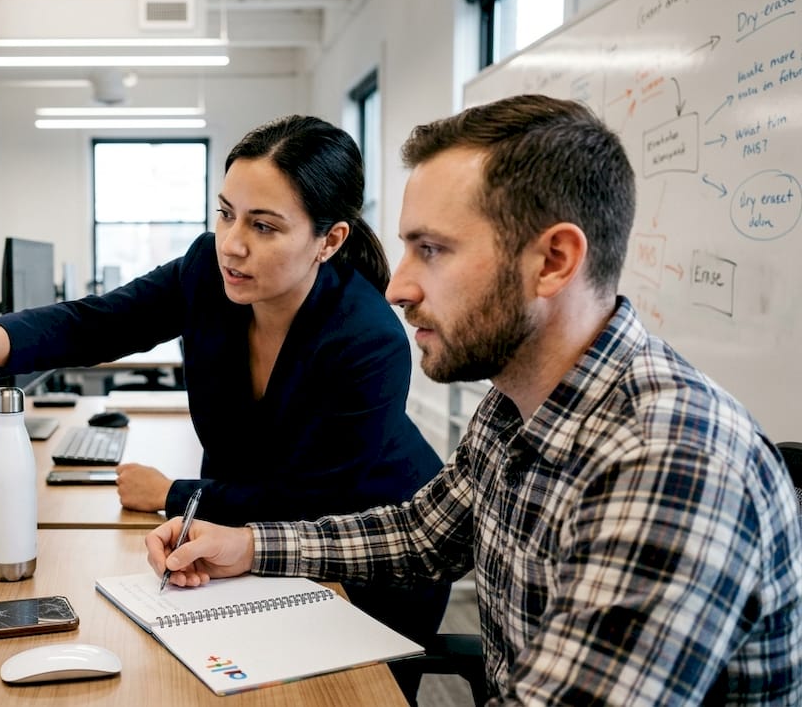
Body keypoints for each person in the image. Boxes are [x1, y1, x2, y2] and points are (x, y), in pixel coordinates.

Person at [144, 94, 802, 704]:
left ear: (552, 262)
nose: (397, 289)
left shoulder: (672, 462)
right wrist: (247, 546)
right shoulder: (518, 401)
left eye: (432, 250)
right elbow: (421, 535)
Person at [0, 115, 449, 697]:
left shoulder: (365, 339)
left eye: (264, 226)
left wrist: (172, 494)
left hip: (368, 557)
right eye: (226, 214)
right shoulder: (206, 271)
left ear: (330, 239)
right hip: (254, 537)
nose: (232, 245)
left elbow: (310, 503)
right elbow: (96, 322)